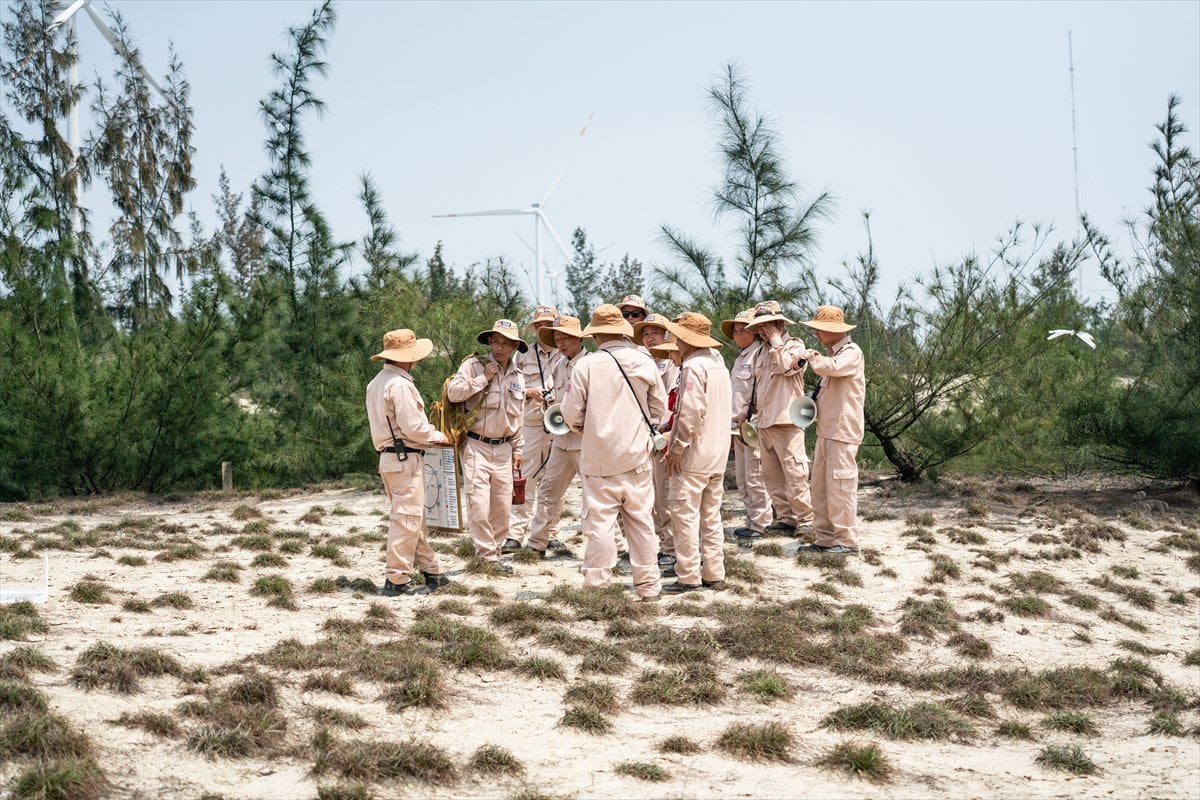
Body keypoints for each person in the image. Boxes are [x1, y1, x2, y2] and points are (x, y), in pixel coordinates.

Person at [560, 304, 667, 602]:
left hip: (598, 457)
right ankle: (648, 585)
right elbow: (660, 410)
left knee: (600, 524)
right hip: (637, 456)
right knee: (642, 521)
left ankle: (598, 585)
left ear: (595, 336)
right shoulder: (645, 362)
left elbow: (570, 414)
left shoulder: (586, 366)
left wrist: (588, 429)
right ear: (623, 330)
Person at [366, 329, 453, 596]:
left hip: (390, 458)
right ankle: (397, 579)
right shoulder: (400, 385)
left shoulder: (377, 382)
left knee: (412, 519)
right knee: (406, 521)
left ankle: (432, 570)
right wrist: (440, 436)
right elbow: (414, 427)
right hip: (405, 457)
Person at [656, 313, 732, 593]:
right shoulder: (718, 364)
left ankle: (688, 575)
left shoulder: (693, 366)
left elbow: (689, 413)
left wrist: (676, 448)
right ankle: (714, 572)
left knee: (684, 515)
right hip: (717, 455)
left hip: (694, 456)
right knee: (711, 517)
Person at [447, 319, 526, 574]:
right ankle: (487, 556)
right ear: (489, 341)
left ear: (515, 346)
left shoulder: (518, 375)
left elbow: (518, 417)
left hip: (504, 448)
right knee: (478, 503)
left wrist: (518, 448)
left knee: (502, 506)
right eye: (496, 341)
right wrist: (483, 378)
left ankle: (496, 551)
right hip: (475, 444)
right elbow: (453, 393)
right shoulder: (473, 365)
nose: (500, 347)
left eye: (506, 343)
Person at [795, 306, 865, 555]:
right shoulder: (831, 354)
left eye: (818, 329)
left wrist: (812, 357)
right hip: (827, 430)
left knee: (841, 487)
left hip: (843, 432)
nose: (816, 334)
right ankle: (825, 538)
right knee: (821, 488)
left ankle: (847, 542)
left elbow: (831, 367)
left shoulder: (851, 353)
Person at [744, 300, 814, 534]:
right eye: (760, 327)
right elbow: (757, 385)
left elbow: (787, 367)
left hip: (787, 420)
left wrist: (775, 340)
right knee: (772, 475)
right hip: (764, 420)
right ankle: (785, 518)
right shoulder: (760, 352)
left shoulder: (795, 346)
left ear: (778, 323)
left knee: (795, 473)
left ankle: (806, 519)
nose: (762, 331)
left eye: (766, 326)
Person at [526, 315, 590, 557]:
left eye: (565, 338)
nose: (561, 343)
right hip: (561, 441)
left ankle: (607, 547)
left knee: (594, 495)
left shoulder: (591, 364)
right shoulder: (559, 366)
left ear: (578, 338)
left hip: (585, 441)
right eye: (557, 339)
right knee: (548, 490)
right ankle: (536, 544)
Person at [503, 305, 563, 553]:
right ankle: (515, 533)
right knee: (524, 477)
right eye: (540, 325)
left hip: (560, 422)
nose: (544, 330)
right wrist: (529, 392)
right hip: (530, 421)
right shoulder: (522, 355)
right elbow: (511, 386)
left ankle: (552, 532)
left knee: (555, 479)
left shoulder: (564, 351)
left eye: (549, 325)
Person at [633, 313, 680, 568]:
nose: (650, 338)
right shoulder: (640, 361)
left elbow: (673, 405)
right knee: (647, 497)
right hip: (641, 437)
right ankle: (658, 544)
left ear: (667, 336)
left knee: (665, 495)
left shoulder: (672, 364)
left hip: (663, 437)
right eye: (646, 333)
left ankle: (671, 547)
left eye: (656, 333)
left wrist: (667, 433)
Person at [724, 308, 773, 540]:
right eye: (734, 331)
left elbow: (760, 390)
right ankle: (751, 519)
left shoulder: (758, 354)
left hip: (751, 423)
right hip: (735, 425)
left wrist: (750, 413)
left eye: (742, 330)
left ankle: (761, 523)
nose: (737, 334)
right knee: (743, 477)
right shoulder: (741, 356)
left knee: (755, 475)